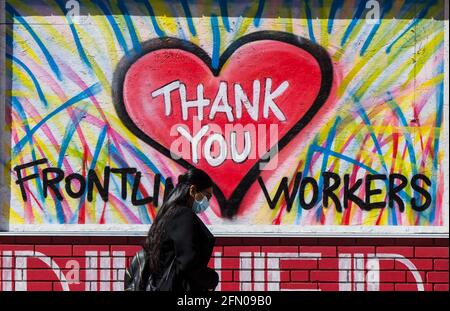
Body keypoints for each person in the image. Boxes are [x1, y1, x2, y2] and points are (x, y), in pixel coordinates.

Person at [125, 168, 219, 291]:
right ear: (192, 190)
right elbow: (188, 262)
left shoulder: (169, 213)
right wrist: (212, 279)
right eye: (207, 196)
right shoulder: (183, 215)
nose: (207, 202)